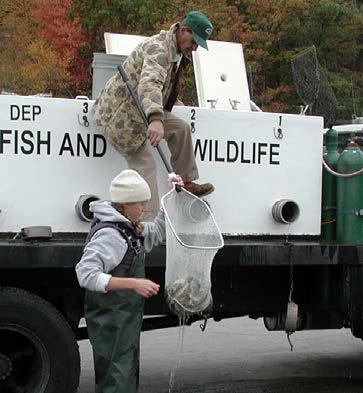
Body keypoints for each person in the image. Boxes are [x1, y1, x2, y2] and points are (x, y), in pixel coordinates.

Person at [93, 10, 215, 221]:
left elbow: (160, 85)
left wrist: (169, 104)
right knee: (146, 165)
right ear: (183, 30)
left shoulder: (175, 51)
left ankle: (185, 182)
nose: (195, 48)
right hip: (121, 118)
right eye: (194, 41)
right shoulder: (159, 49)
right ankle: (148, 225)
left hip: (140, 109)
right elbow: (150, 84)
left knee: (181, 128)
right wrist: (157, 119)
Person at [75, 169, 183, 393]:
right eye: (140, 204)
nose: (145, 209)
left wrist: (172, 194)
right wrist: (134, 283)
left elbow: (158, 230)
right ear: (123, 205)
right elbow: (86, 273)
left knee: (123, 374)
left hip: (123, 321)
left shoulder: (130, 226)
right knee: (117, 379)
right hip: (111, 322)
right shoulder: (111, 235)